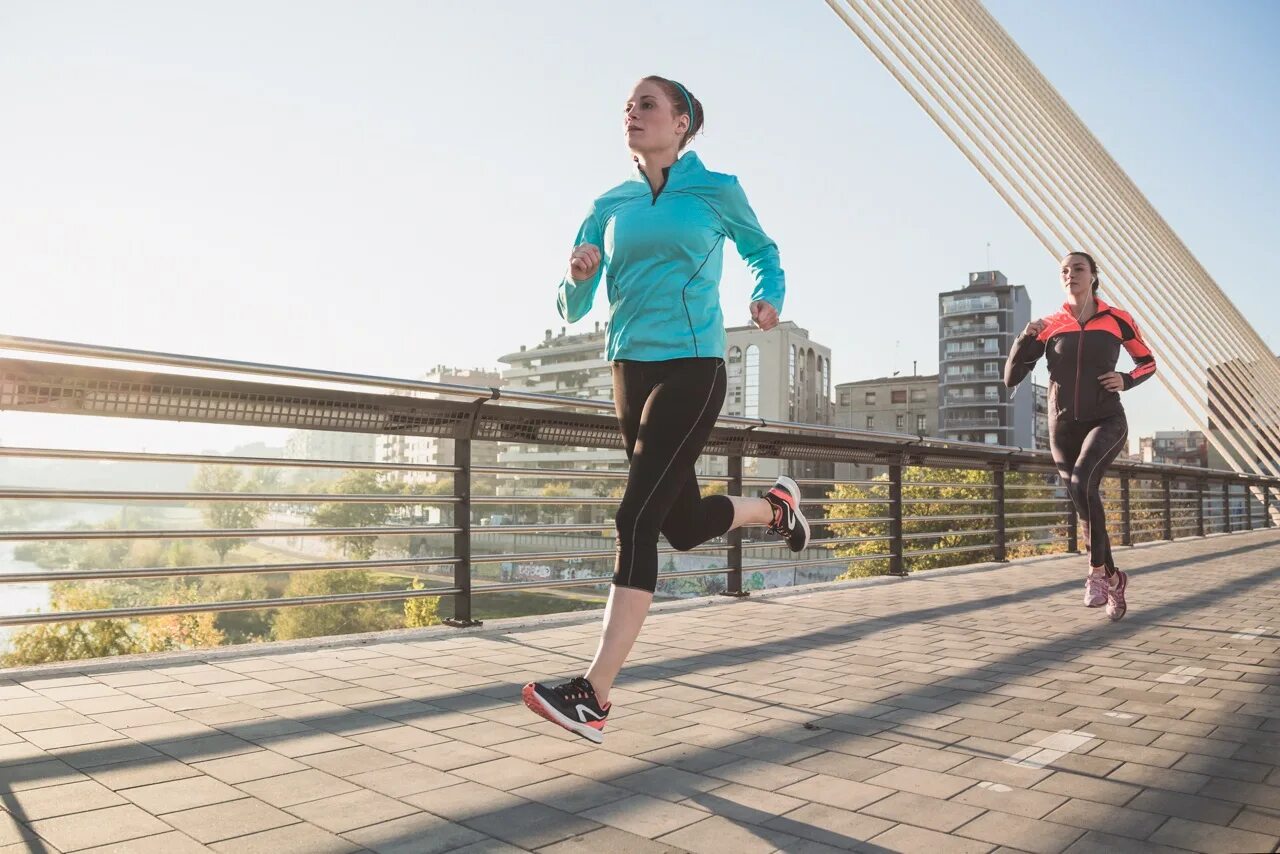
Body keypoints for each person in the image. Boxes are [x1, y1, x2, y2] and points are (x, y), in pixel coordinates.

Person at [521, 76, 809, 743]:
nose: (632, 111)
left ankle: (593, 694)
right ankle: (775, 509)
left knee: (635, 518)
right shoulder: (608, 203)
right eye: (626, 104)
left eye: (646, 103)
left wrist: (768, 296)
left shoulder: (715, 189)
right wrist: (578, 273)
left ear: (682, 123)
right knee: (678, 526)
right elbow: (571, 307)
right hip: (629, 369)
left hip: (693, 365)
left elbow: (761, 250)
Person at [1005, 251, 1156, 621]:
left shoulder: (1118, 320)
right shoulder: (1051, 324)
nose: (1070, 274)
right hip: (1062, 426)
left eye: (1078, 269)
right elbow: (1011, 378)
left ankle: (1094, 573)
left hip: (1107, 419)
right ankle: (1114, 577)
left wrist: (1127, 380)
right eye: (1064, 270)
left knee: (1084, 480)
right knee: (1081, 494)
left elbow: (1147, 361)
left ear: (1093, 276)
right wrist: (1026, 336)